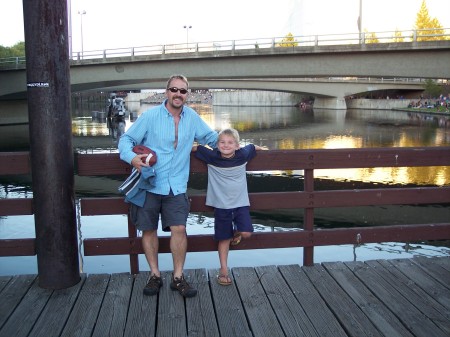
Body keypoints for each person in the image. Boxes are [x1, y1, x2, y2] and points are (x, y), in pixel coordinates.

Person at [118, 74, 218, 297]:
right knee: (149, 229)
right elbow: (126, 140)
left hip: (177, 186)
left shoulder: (192, 117)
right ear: (167, 92)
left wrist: (239, 147)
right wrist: (131, 159)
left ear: (187, 94)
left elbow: (211, 138)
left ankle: (178, 277)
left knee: (179, 229)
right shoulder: (150, 116)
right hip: (150, 182)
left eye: (183, 91)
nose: (178, 94)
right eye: (174, 89)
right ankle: (154, 275)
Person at [193, 128, 268, 286]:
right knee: (223, 238)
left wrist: (259, 148)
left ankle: (237, 233)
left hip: (240, 203)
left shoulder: (242, 154)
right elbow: (194, 148)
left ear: (237, 145)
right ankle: (224, 270)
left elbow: (252, 147)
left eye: (230, 143)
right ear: (217, 144)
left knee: (246, 232)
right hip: (221, 205)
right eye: (222, 142)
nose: (226, 145)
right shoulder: (211, 155)